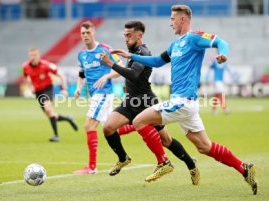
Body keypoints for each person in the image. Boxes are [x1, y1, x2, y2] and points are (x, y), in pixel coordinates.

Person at [111, 5, 257, 195]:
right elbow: (156, 61)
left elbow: (221, 41)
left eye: (173, 19)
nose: (170, 22)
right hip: (184, 104)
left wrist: (223, 54)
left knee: (139, 120)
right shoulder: (175, 45)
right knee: (205, 147)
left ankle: (163, 162)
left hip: (183, 101)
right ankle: (244, 168)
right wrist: (131, 55)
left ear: (182, 19)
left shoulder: (194, 38)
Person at [100, 21, 200, 184]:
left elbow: (133, 74)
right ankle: (123, 158)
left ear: (139, 36)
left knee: (166, 140)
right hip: (131, 102)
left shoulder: (143, 52)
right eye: (124, 35)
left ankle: (190, 165)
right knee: (108, 128)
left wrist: (111, 64)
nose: (125, 38)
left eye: (129, 35)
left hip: (146, 102)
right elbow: (133, 77)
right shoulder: (131, 51)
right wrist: (127, 86)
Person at [73, 21, 122, 174]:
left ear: (94, 33)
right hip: (94, 94)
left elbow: (122, 69)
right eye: (83, 33)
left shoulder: (106, 49)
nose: (86, 35)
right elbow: (81, 74)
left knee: (89, 126)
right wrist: (79, 88)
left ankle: (92, 167)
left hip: (104, 93)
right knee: (110, 127)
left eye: (88, 33)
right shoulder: (81, 54)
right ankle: (143, 124)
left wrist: (107, 76)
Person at [22, 48, 78, 142]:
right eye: (31, 55)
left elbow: (61, 75)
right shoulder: (25, 66)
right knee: (51, 114)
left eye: (34, 55)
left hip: (47, 89)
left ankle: (56, 136)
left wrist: (64, 89)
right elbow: (26, 76)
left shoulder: (46, 65)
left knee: (48, 110)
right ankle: (68, 118)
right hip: (38, 92)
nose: (33, 57)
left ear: (39, 56)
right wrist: (30, 86)